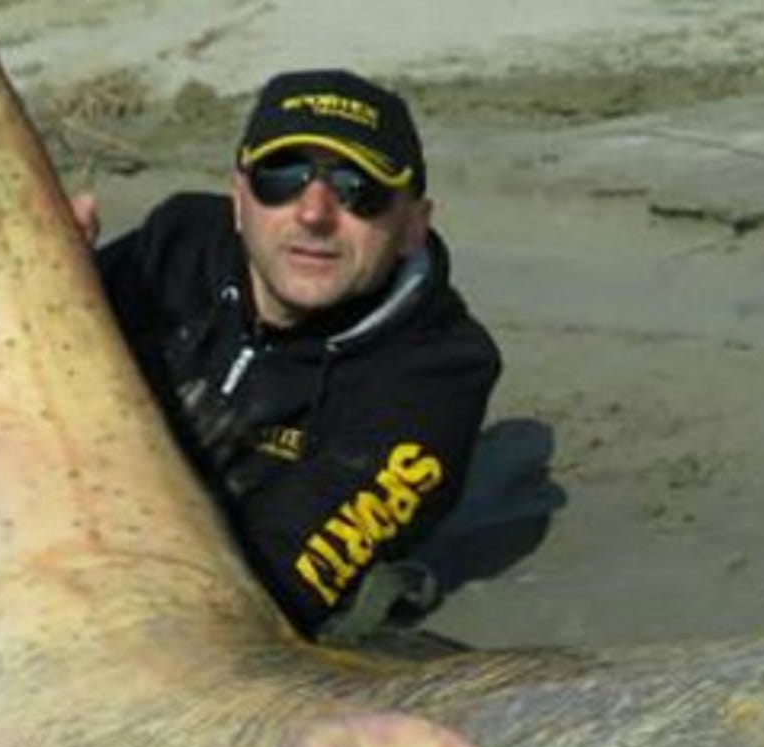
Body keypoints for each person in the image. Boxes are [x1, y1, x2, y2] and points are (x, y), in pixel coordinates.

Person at [84, 70, 501, 640]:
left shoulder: (438, 372)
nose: (313, 212)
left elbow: (271, 593)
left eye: (360, 187)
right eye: (282, 176)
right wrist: (33, 288)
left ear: (412, 227)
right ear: (239, 199)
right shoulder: (176, 243)